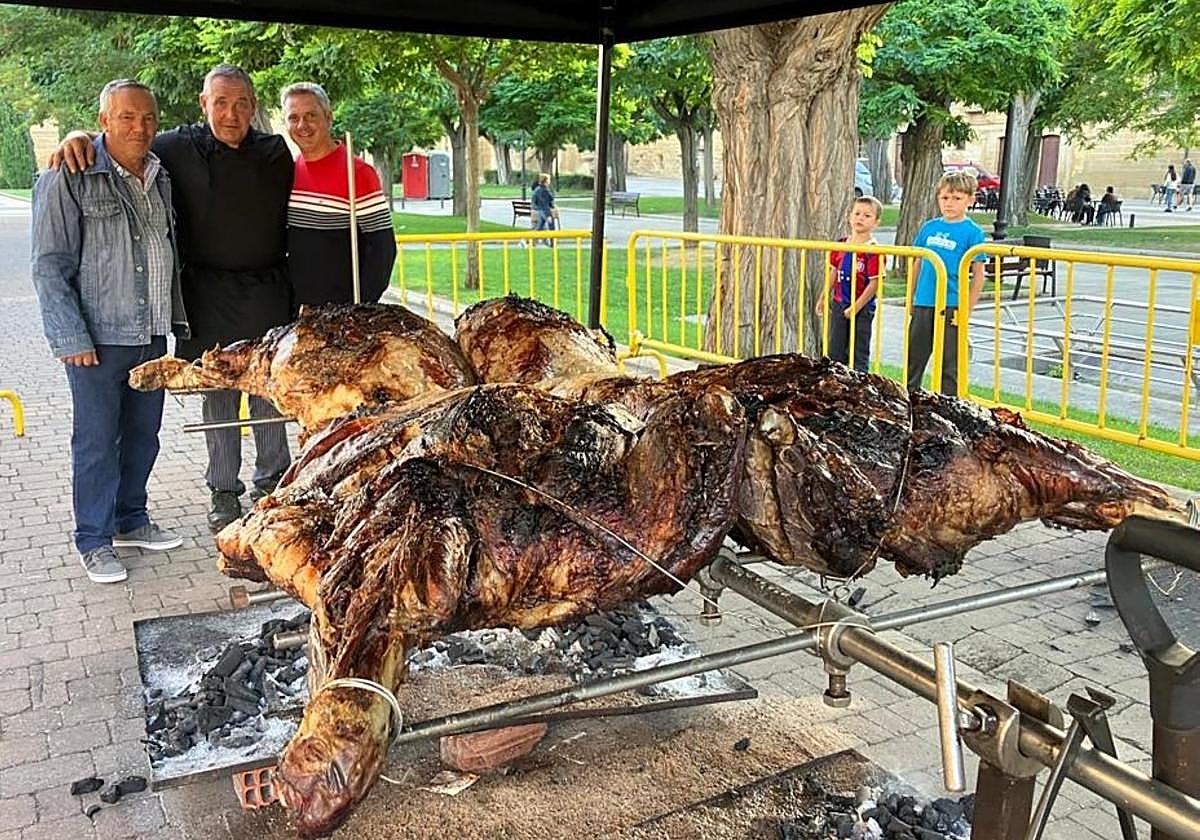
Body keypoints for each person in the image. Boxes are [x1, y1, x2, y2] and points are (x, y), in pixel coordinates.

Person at [55, 65, 294, 533]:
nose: (231, 114)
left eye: (241, 103)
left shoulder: (275, 152)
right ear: (204, 104)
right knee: (218, 397)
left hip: (268, 292)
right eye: (220, 103)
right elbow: (121, 141)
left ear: (253, 107)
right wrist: (75, 137)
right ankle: (223, 490)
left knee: (269, 395)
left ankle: (274, 482)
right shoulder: (174, 147)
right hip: (206, 297)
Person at [31, 80, 187, 584]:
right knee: (97, 442)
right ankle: (93, 540)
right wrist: (69, 336)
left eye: (148, 117)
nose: (140, 127)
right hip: (97, 339)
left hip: (152, 333)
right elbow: (49, 266)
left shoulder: (160, 174)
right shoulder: (69, 174)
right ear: (103, 121)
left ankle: (131, 520)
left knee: (143, 437)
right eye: (126, 117)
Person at [280, 82, 396, 306]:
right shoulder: (290, 170)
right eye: (293, 118)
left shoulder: (358, 172)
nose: (302, 125)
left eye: (311, 115)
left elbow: (383, 249)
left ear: (328, 118)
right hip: (298, 309)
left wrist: (359, 307)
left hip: (341, 310)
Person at [905, 171, 988, 396]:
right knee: (915, 357)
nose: (949, 203)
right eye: (945, 198)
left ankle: (947, 403)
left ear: (970, 200)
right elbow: (917, 263)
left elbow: (978, 274)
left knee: (949, 363)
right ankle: (910, 398)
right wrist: (911, 297)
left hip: (951, 304)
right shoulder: (929, 228)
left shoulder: (973, 232)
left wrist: (966, 309)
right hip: (924, 301)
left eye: (957, 198)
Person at [816, 196, 883, 371]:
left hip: (862, 307)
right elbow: (833, 272)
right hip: (840, 303)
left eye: (867, 216)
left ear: (876, 223)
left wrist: (856, 307)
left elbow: (875, 283)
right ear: (850, 217)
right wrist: (823, 297)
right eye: (857, 213)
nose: (860, 218)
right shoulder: (840, 245)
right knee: (835, 350)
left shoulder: (874, 250)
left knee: (858, 352)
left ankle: (859, 383)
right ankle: (835, 381)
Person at [531, 173, 556, 243]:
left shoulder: (537, 189)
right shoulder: (545, 190)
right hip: (546, 211)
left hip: (540, 211)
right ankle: (552, 243)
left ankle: (529, 241)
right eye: (548, 180)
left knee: (539, 228)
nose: (549, 182)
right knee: (551, 227)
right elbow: (549, 200)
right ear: (545, 181)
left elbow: (534, 201)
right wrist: (551, 208)